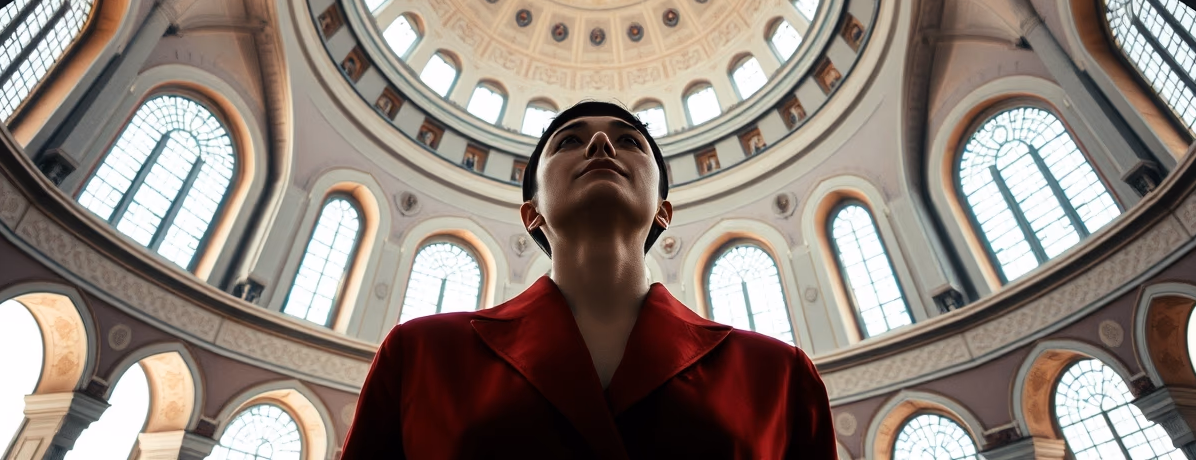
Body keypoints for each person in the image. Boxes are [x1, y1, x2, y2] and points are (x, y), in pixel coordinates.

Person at [341, 101, 835, 458]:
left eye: (629, 141)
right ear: (531, 212)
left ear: (663, 211)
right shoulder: (422, 355)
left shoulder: (779, 376)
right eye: (570, 140)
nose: (601, 143)